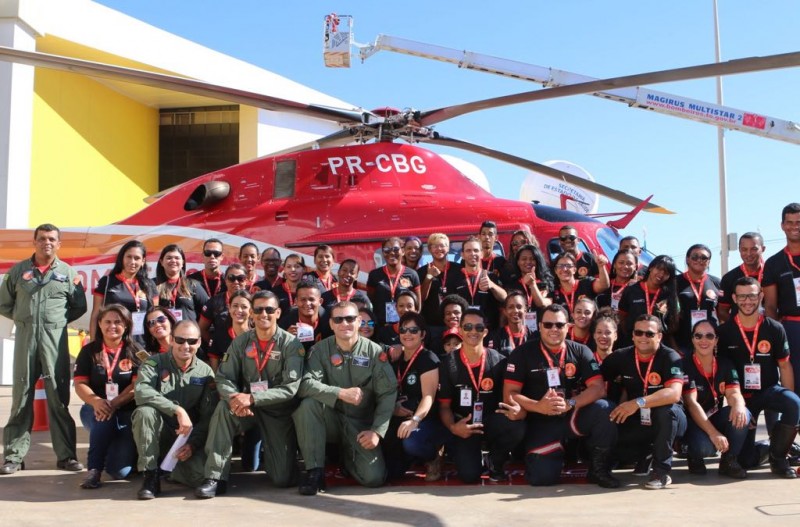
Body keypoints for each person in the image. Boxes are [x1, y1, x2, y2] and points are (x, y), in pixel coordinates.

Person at [195, 291, 305, 498]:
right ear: (252, 314)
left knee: (283, 479)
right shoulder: (241, 342)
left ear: (278, 313)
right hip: (246, 408)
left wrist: (253, 398)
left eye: (269, 310)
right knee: (223, 409)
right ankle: (214, 478)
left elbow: (290, 388)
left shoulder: (291, 345)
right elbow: (224, 377)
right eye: (258, 310)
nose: (264, 314)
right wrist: (235, 397)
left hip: (277, 412)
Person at [499, 304, 619, 488]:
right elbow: (510, 394)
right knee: (543, 479)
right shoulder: (522, 353)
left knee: (605, 409)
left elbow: (598, 388)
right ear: (539, 326)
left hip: (571, 415)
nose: (554, 329)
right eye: (548, 325)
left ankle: (598, 470)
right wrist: (538, 406)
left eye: (559, 325)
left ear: (568, 326)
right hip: (540, 420)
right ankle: (546, 454)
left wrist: (571, 402)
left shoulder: (581, 350)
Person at [0, 223, 87, 474]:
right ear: (34, 242)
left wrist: (56, 322)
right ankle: (14, 456)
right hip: (26, 340)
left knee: (59, 399)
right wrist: (24, 318)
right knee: (21, 398)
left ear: (58, 244)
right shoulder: (18, 272)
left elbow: (78, 306)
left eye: (51, 239)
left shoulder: (69, 274)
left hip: (54, 342)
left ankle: (66, 456)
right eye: (41, 238)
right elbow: (5, 304)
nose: (46, 242)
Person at [293, 302, 397, 495]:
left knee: (374, 479)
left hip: (360, 424)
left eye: (350, 318)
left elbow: (388, 393)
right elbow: (305, 384)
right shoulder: (320, 350)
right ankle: (315, 471)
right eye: (338, 319)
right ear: (331, 324)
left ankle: (348, 460)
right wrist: (339, 393)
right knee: (308, 406)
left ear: (358, 321)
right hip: (330, 418)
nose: (344, 324)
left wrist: (376, 431)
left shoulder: (375, 353)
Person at [717, 276, 800, 478]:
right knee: (746, 461)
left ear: (761, 296)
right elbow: (724, 374)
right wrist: (737, 405)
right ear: (735, 298)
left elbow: (784, 365)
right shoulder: (725, 332)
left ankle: (778, 459)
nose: (748, 301)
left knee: (794, 403)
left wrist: (790, 403)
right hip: (742, 397)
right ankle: (769, 447)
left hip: (769, 390)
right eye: (743, 296)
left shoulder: (774, 328)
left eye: (752, 296)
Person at [132, 320, 215, 499]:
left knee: (201, 476)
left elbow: (208, 417)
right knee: (145, 412)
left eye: (192, 341)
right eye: (180, 340)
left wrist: (192, 444)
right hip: (158, 432)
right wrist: (176, 409)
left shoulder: (205, 372)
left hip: (185, 439)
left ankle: (170, 468)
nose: (186, 345)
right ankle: (150, 476)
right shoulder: (154, 364)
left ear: (199, 342)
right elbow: (141, 391)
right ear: (171, 340)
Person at [602, 315, 686, 490]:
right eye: (638, 332)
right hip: (638, 419)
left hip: (671, 418)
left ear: (659, 336)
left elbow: (674, 394)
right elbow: (595, 379)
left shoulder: (670, 356)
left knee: (666, 410)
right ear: (632, 335)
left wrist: (637, 402)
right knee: (616, 445)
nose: (643, 337)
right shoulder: (621, 356)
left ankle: (661, 472)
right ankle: (646, 453)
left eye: (649, 333)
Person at [437, 309, 509, 483]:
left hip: (490, 421)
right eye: (468, 327)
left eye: (478, 327)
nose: (473, 331)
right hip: (465, 426)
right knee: (469, 476)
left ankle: (495, 460)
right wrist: (454, 427)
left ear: (485, 331)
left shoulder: (499, 361)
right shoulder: (448, 363)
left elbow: (508, 399)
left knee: (516, 426)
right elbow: (444, 407)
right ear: (461, 330)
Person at [73, 304, 141, 489]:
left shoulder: (135, 350)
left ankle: (125, 452)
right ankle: (93, 470)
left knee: (120, 472)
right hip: (94, 409)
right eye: (108, 322)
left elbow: (137, 386)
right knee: (103, 418)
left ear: (126, 325)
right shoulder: (89, 351)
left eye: (118, 322)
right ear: (100, 324)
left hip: (126, 410)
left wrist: (115, 402)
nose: (113, 326)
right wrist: (96, 401)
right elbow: (80, 384)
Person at [682, 320, 749, 479]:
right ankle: (694, 455)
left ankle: (729, 461)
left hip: (714, 416)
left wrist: (738, 404)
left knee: (742, 414)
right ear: (692, 339)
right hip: (692, 421)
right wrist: (714, 434)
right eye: (698, 336)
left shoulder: (725, 363)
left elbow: (733, 393)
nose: (703, 340)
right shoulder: (684, 364)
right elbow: (691, 403)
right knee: (706, 448)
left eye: (709, 336)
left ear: (716, 340)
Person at [383, 312, 445, 481]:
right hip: (398, 417)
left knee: (411, 442)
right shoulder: (395, 356)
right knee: (390, 474)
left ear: (423, 334)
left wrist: (414, 420)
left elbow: (428, 397)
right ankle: (410, 459)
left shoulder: (428, 359)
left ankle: (433, 457)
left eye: (413, 330)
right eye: (403, 330)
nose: (408, 334)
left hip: (425, 420)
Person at [763, 203, 800, 397]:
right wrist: (776, 335)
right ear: (782, 225)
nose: (795, 226)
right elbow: (770, 305)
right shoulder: (774, 263)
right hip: (792, 328)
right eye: (790, 222)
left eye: (799, 222)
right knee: (795, 379)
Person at [90, 240, 157, 345]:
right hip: (112, 343)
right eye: (129, 257)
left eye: (137, 258)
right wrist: (93, 343)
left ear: (143, 261)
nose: (132, 262)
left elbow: (154, 316)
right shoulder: (107, 282)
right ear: (122, 258)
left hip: (141, 344)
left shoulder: (149, 285)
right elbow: (95, 315)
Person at [617, 254, 679, 349]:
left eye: (666, 273)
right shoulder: (631, 290)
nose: (661, 274)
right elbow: (622, 317)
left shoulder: (669, 295)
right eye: (658, 269)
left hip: (658, 345)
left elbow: (672, 324)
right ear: (651, 268)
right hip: (632, 343)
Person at [452, 236, 507, 330]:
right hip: (464, 329)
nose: (472, 253)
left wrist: (492, 285)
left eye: (476, 250)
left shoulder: (491, 276)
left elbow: (504, 298)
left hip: (487, 329)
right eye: (468, 250)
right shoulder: (454, 277)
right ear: (462, 255)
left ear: (481, 254)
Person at [675, 244, 721, 353]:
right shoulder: (675, 282)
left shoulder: (717, 283)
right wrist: (674, 346)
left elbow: (721, 313)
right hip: (683, 343)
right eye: (695, 257)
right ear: (687, 259)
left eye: (704, 257)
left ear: (709, 261)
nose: (699, 260)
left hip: (709, 342)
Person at [367, 237, 421, 327]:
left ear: (403, 251)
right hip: (381, 326)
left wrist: (411, 324)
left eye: (396, 249)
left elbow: (418, 305)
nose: (391, 253)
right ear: (383, 253)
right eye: (387, 250)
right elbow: (371, 301)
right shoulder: (374, 275)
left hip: (405, 326)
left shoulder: (412, 274)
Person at [154, 244, 209, 323]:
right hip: (163, 334)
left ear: (183, 262)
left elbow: (207, 310)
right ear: (161, 262)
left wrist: (198, 329)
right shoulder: (152, 285)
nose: (173, 261)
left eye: (177, 258)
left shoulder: (193, 285)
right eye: (169, 258)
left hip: (188, 334)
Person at [718, 232, 765, 323]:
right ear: (739, 250)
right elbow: (722, 311)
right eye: (744, 249)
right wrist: (738, 327)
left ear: (763, 249)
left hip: (768, 331)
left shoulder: (772, 272)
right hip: (740, 334)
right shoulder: (729, 278)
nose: (748, 253)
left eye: (754, 249)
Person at [198, 263, 248, 347]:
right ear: (225, 280)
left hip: (248, 350)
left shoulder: (253, 301)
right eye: (231, 278)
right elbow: (202, 328)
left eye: (240, 278)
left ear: (246, 281)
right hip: (221, 354)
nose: (236, 282)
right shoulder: (214, 302)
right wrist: (215, 344)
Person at [419, 233, 459, 328]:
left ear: (448, 248)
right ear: (429, 249)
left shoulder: (458, 269)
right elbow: (421, 298)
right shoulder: (421, 272)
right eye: (435, 246)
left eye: (442, 245)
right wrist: (429, 277)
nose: (439, 249)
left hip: (455, 323)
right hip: (431, 325)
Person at [510, 244, 554, 325]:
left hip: (542, 328)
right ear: (518, 262)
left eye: (532, 259)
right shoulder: (512, 284)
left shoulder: (544, 283)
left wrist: (532, 284)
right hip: (519, 330)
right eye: (524, 259)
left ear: (537, 261)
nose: (528, 262)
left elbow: (542, 303)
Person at [207, 290, 252, 368]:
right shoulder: (220, 334)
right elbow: (214, 365)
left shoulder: (258, 335)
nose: (239, 310)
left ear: (251, 311)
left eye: (244, 307)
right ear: (229, 308)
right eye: (235, 306)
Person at [281, 281, 329, 352]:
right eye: (303, 299)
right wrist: (286, 339)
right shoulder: (286, 322)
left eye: (311, 299)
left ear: (320, 302)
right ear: (296, 301)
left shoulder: (329, 322)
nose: (307, 303)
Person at [487, 291, 535, 357]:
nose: (515, 310)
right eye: (511, 307)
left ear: (525, 310)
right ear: (505, 311)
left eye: (519, 307)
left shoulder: (533, 337)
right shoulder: (496, 337)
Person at [273, 254, 306, 323]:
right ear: (284, 269)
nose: (293, 270)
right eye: (289, 267)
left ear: (304, 269)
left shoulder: (309, 291)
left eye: (297, 266)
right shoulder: (275, 292)